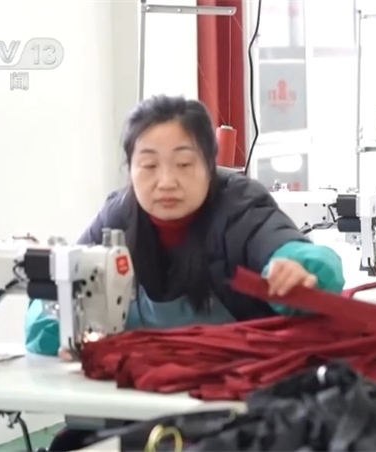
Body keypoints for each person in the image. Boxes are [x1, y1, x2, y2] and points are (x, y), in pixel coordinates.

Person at [24, 95, 345, 359]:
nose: (166, 181)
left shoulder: (240, 206)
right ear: (130, 169)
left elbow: (300, 255)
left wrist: (295, 271)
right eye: (149, 165)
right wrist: (71, 329)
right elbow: (44, 320)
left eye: (184, 164)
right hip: (139, 389)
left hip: (237, 388)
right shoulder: (117, 218)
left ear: (210, 165)